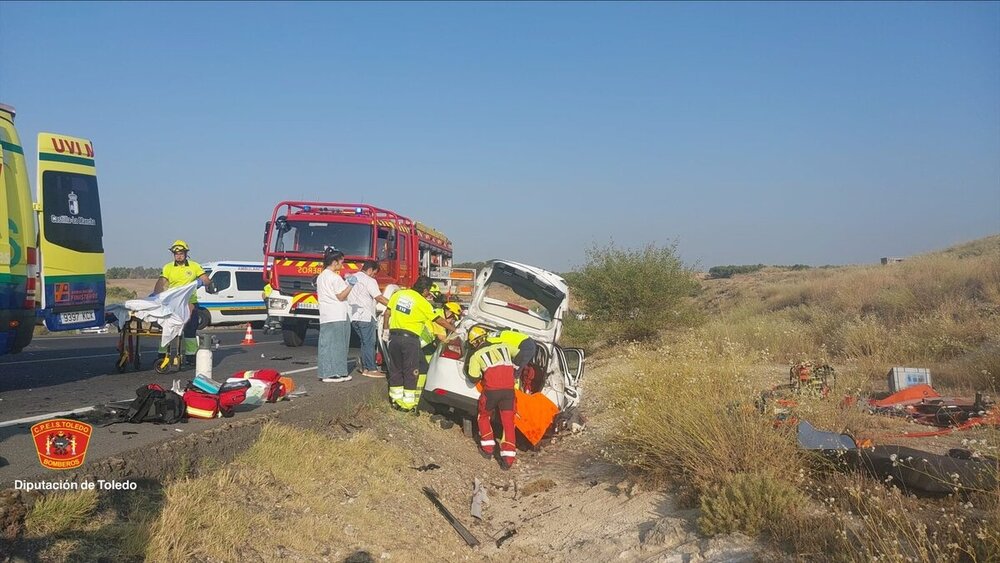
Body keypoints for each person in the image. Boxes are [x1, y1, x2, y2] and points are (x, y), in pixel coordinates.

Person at [384, 275, 455, 412]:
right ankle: (408, 405)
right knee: (411, 371)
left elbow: (387, 313)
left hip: (394, 337)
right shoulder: (422, 303)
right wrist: (455, 329)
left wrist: (386, 330)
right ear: (426, 290)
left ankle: (395, 401)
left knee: (396, 369)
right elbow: (438, 320)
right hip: (409, 339)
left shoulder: (399, 294)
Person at [152, 240, 214, 367]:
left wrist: (203, 282)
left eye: (181, 253)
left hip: (189, 302)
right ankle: (162, 355)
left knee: (190, 330)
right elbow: (161, 282)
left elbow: (206, 280)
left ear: (186, 253)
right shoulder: (168, 267)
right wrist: (156, 296)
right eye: (176, 253)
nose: (179, 255)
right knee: (167, 329)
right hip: (172, 303)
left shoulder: (194, 266)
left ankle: (191, 357)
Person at [466, 326, 518, 469]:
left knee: (483, 416)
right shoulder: (505, 347)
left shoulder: (476, 356)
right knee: (508, 423)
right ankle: (508, 460)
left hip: (491, 392)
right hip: (509, 392)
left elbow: (473, 377)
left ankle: (488, 449)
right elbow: (519, 353)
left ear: (474, 343)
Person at [346, 260, 388, 378]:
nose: (374, 276)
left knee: (364, 342)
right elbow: (379, 297)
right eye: (374, 273)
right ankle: (371, 369)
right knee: (369, 342)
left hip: (353, 316)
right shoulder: (369, 280)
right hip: (365, 316)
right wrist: (393, 305)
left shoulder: (351, 278)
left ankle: (365, 368)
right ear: (370, 270)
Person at [316, 248, 353, 382]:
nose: (342, 265)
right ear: (334, 262)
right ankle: (337, 372)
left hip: (326, 315)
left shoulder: (321, 276)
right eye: (341, 262)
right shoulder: (334, 277)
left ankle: (325, 372)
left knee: (326, 345)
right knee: (339, 345)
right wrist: (351, 285)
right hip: (338, 315)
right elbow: (341, 296)